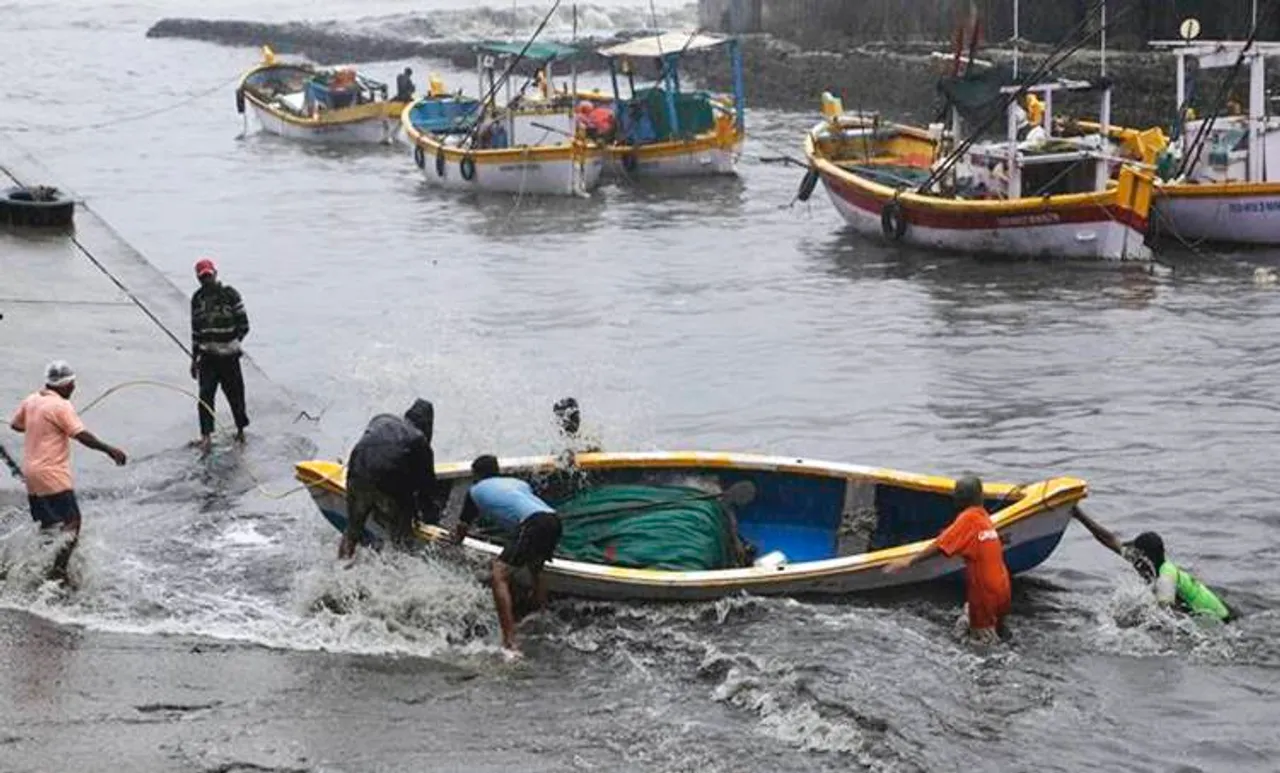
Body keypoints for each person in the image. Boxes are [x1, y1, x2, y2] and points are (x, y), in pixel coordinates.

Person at [8, 361, 127, 582]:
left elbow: (16, 425)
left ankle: (37, 567)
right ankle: (58, 573)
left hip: (32, 475)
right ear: (63, 385)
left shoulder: (32, 400)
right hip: (52, 474)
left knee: (48, 526)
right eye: (71, 384)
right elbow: (82, 436)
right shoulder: (61, 406)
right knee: (73, 522)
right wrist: (110, 450)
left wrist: (40, 424)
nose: (73, 387)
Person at [451, 455, 562, 655]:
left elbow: (462, 528)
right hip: (553, 519)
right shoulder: (517, 482)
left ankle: (509, 641)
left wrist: (453, 544)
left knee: (499, 574)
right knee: (535, 568)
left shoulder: (475, 491)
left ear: (476, 475)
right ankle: (542, 614)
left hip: (532, 523)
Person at [885, 474, 1012, 642]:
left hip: (984, 593)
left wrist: (909, 561)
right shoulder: (984, 518)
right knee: (996, 630)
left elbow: (940, 546)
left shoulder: (968, 519)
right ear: (981, 497)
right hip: (1003, 589)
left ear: (959, 499)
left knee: (983, 642)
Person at [1072, 508, 1235, 622]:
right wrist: (1079, 515)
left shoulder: (1165, 578)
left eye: (1137, 553)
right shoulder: (1150, 563)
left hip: (1218, 619)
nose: (1133, 559)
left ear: (1145, 557)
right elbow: (1110, 540)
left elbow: (1170, 618)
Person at [338, 399, 439, 559]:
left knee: (352, 530)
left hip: (357, 475)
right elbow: (426, 487)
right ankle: (400, 560)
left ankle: (342, 560)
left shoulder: (381, 419)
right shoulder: (420, 440)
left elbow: (368, 447)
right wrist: (430, 519)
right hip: (386, 485)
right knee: (402, 537)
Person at [189, 258, 250, 452]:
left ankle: (240, 430)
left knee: (235, 394)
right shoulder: (197, 299)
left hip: (229, 356)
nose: (206, 279)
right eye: (203, 277)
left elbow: (244, 324)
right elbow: (195, 331)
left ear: (215, 274)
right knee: (205, 396)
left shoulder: (230, 294)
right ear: (198, 278)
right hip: (208, 357)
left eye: (209, 275)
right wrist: (194, 359)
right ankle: (206, 436)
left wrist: (232, 342)